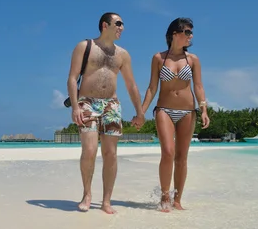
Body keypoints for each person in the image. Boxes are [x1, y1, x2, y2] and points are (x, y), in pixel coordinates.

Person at [66, 12, 145, 214]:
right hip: (87, 103)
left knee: (110, 154)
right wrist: (75, 107)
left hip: (112, 104)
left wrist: (140, 112)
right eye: (118, 23)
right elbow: (72, 78)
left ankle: (106, 201)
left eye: (123, 24)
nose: (122, 28)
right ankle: (87, 194)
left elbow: (131, 85)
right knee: (90, 150)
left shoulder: (123, 54)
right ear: (104, 25)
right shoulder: (85, 47)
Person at [140, 17, 210, 212]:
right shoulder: (158, 58)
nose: (190, 36)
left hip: (188, 111)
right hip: (164, 109)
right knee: (168, 152)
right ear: (174, 34)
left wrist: (204, 109)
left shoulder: (193, 59)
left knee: (181, 157)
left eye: (191, 32)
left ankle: (177, 199)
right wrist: (141, 112)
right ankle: (164, 196)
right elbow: (152, 88)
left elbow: (198, 86)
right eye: (187, 32)